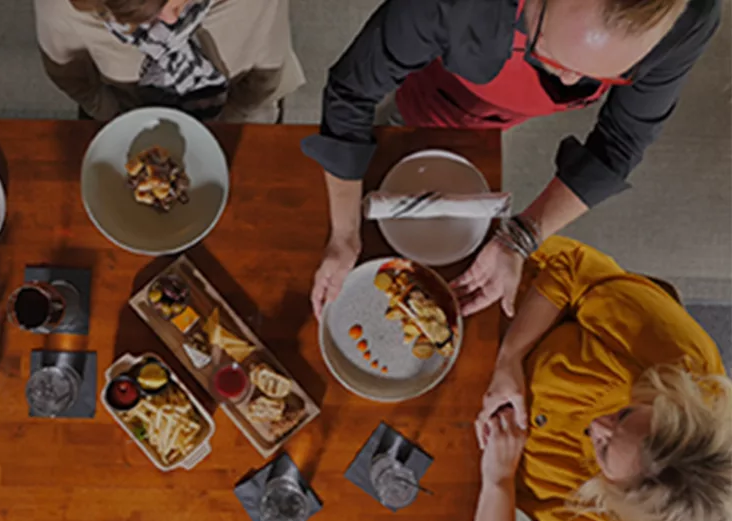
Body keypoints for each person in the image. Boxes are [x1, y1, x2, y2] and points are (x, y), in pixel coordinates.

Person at [302, 0, 721, 320]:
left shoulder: (689, 17)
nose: (572, 81)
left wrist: (523, 235)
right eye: (551, 58)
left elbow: (621, 143)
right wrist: (343, 235)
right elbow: (352, 92)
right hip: (437, 90)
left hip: (493, 116)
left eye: (604, 76)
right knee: (403, 121)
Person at [469, 236, 732, 521]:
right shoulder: (680, 358)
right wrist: (510, 358)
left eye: (604, 451)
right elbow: (571, 269)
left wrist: (497, 481)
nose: (597, 425)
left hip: (461, 450)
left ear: (619, 498)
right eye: (625, 414)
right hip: (498, 313)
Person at [35, 0, 304, 122]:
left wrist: (224, 127)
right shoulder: (63, 8)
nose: (171, 23)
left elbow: (265, 79)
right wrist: (114, 117)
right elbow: (72, 79)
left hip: (238, 116)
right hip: (119, 115)